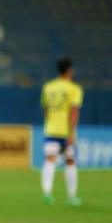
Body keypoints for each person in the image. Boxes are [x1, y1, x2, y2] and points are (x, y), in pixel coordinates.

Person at [41, 57, 83, 206]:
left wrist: (50, 122)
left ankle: (47, 194)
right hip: (66, 131)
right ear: (70, 71)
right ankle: (72, 197)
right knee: (70, 161)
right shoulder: (74, 88)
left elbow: (45, 109)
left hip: (51, 130)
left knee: (50, 160)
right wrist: (71, 132)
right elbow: (74, 112)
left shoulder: (48, 87)